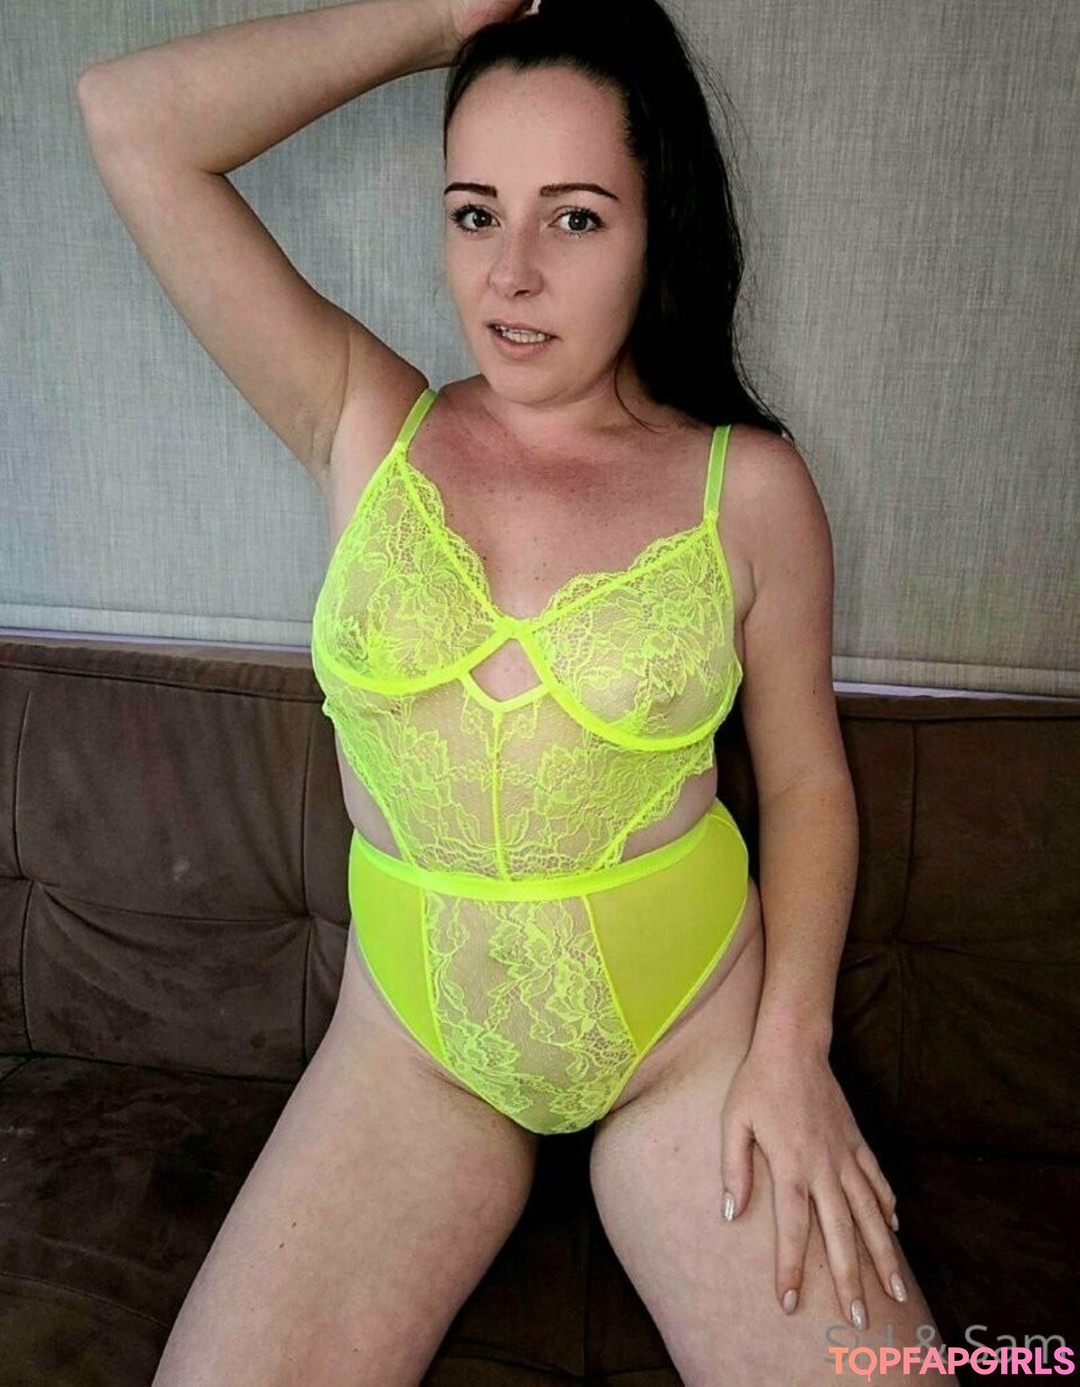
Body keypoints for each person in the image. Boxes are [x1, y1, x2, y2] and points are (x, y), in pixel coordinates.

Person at [76, 0, 958, 1382]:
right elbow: (130, 123)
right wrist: (436, 19)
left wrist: (791, 1053)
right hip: (412, 1052)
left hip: (690, 1041)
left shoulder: (751, 489)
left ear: (659, 228)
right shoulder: (362, 418)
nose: (513, 275)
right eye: (477, 214)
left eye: (577, 219)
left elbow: (804, 781)